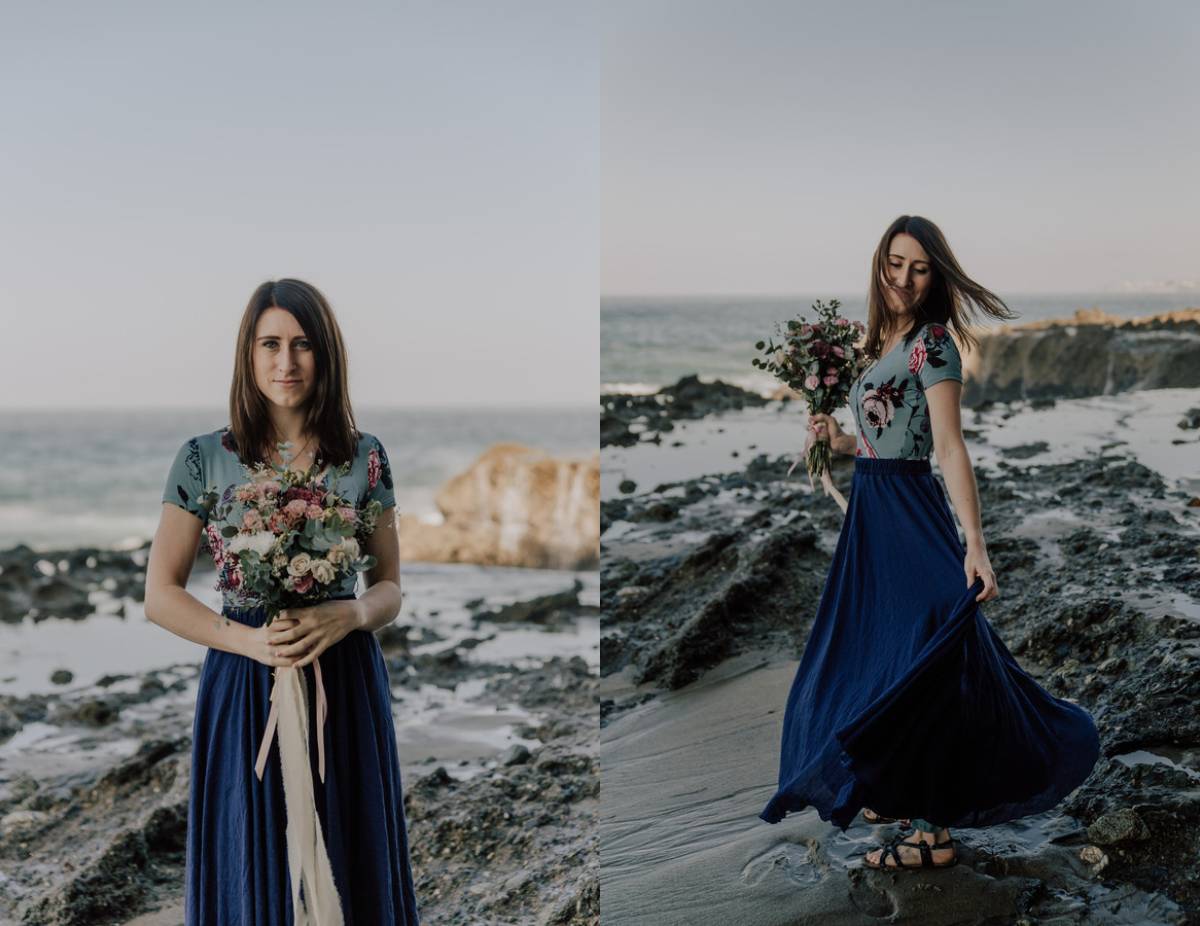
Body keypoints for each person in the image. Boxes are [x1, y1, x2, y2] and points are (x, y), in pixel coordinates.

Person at [758, 216, 1100, 871]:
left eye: (919, 267)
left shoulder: (932, 344)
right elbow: (885, 438)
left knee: (929, 650)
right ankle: (905, 795)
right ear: (879, 265)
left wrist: (976, 544)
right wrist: (836, 441)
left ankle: (935, 829)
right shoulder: (881, 343)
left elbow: (946, 445)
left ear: (935, 274)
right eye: (895, 263)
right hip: (871, 513)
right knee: (877, 656)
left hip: (910, 511)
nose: (904, 278)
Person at [144, 279, 420, 923]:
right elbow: (160, 595)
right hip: (242, 682)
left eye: (302, 345)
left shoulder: (364, 458)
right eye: (269, 343)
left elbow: (390, 588)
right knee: (252, 855)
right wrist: (246, 640)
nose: (286, 362)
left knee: (350, 856)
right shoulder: (202, 459)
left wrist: (349, 614)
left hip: (344, 678)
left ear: (325, 354)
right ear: (248, 353)